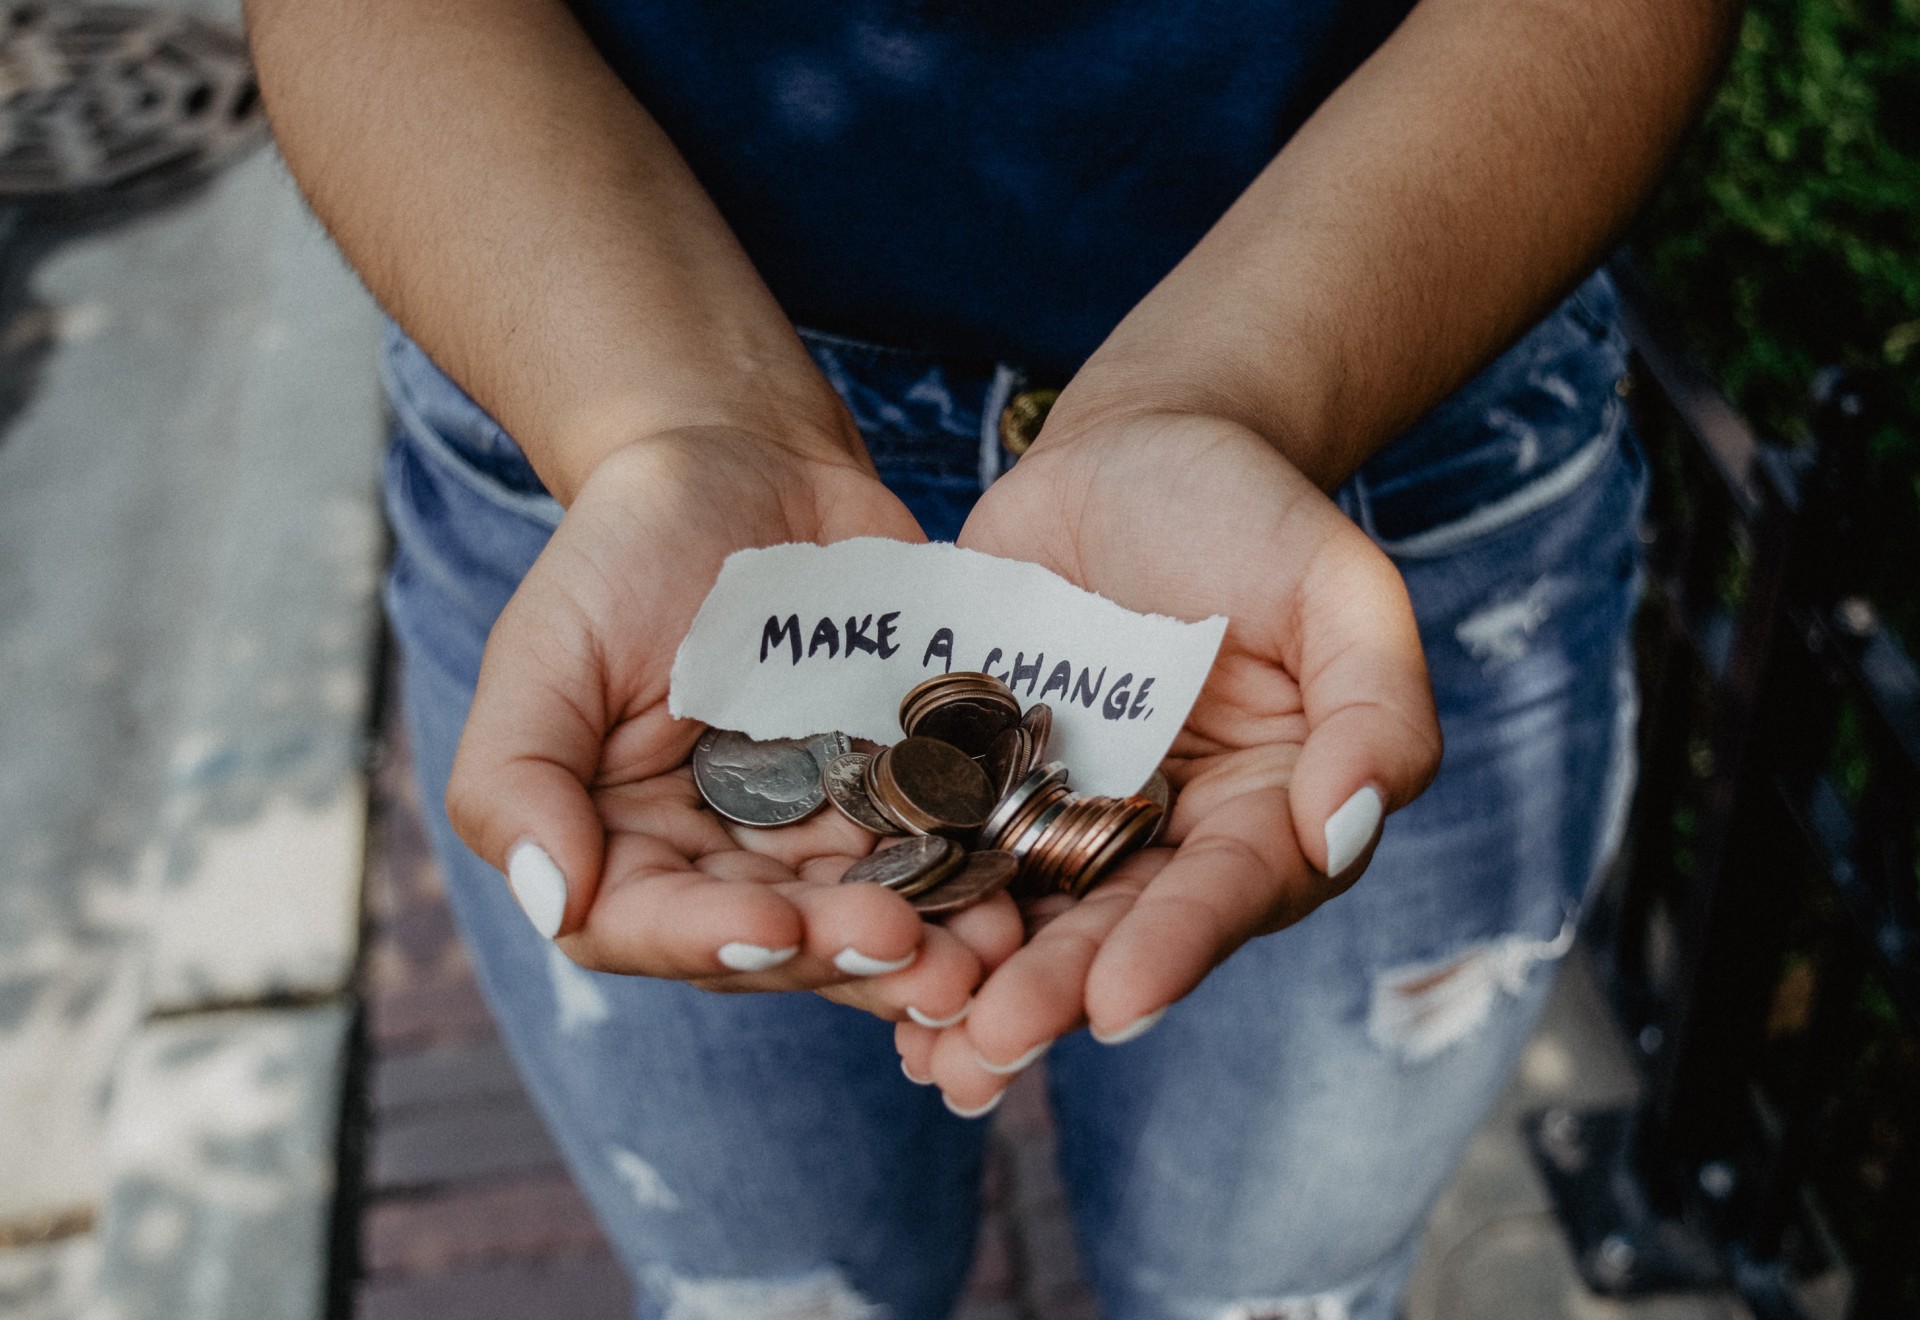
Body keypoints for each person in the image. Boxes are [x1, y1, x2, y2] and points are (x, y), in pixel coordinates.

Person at [247, 1, 1737, 1316]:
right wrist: (662, 432)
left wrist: (1227, 398)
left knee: (1274, 1306)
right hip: (596, 423)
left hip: (1385, 407)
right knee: (766, 1303)